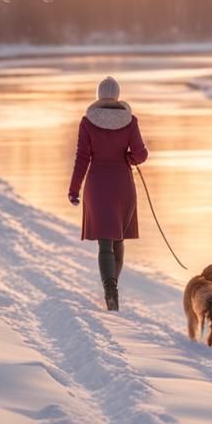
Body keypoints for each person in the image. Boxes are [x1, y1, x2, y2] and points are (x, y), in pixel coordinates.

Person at [68, 76, 148, 310]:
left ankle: (109, 289)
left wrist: (74, 189)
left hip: (97, 185)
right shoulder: (130, 121)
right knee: (118, 240)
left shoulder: (87, 122)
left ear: (99, 95)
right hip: (122, 184)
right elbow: (141, 154)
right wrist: (129, 158)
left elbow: (82, 158)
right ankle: (113, 289)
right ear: (118, 95)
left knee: (104, 244)